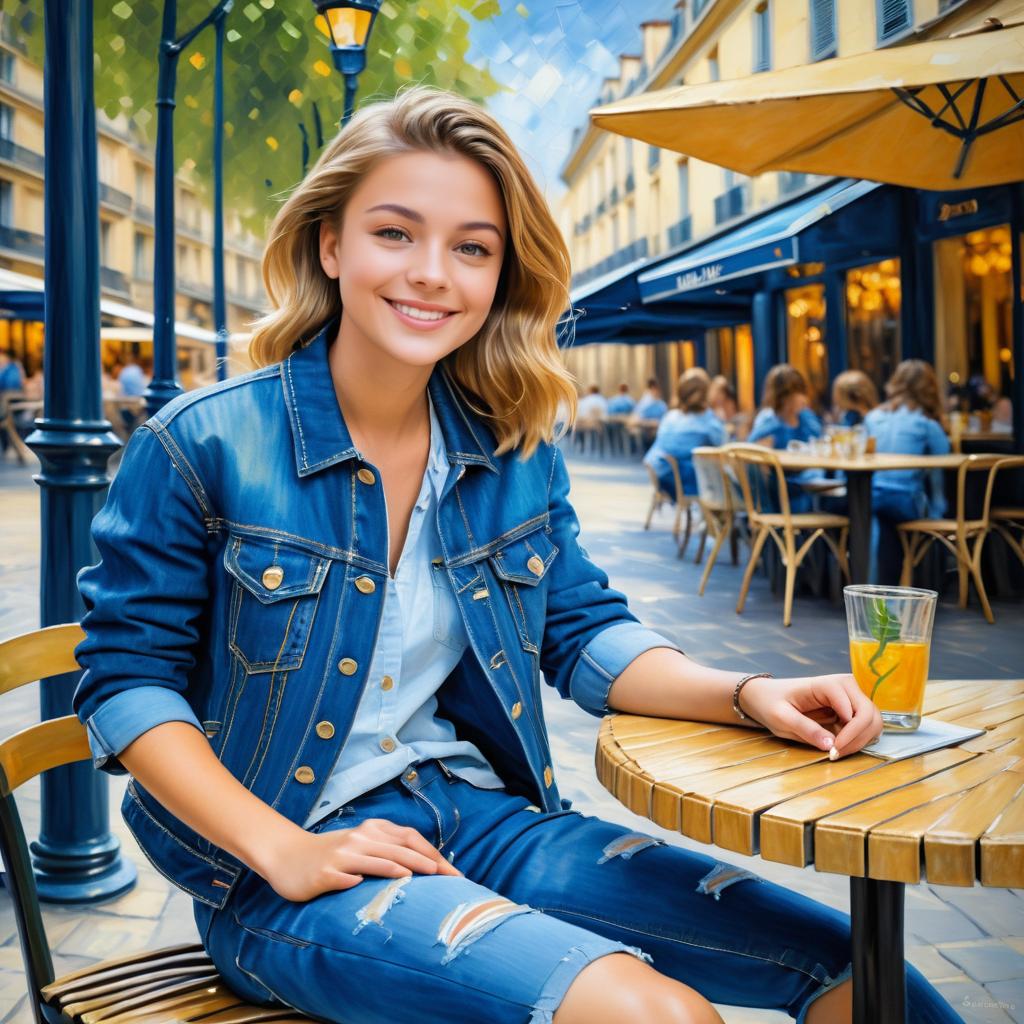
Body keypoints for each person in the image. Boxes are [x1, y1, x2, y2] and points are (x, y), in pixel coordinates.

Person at [72, 88, 957, 1024]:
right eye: (394, 233)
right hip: (281, 867)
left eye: (472, 247)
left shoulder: (511, 451)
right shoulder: (200, 444)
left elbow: (582, 632)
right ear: (330, 246)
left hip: (487, 819)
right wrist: (281, 848)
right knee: (656, 1016)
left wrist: (747, 693)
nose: (432, 275)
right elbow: (127, 681)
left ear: (500, 276)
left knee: (869, 975)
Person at [865, 360, 951, 584]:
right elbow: (944, 457)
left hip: (871, 497)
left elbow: (862, 451)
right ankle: (926, 583)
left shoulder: (874, 417)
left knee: (886, 524)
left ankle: (881, 591)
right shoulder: (926, 423)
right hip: (905, 501)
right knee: (924, 510)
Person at [748, 364, 825, 513]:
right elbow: (755, 465)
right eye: (795, 393)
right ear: (781, 397)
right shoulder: (769, 423)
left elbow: (820, 442)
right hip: (781, 490)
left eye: (801, 392)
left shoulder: (807, 418)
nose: (801, 398)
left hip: (809, 482)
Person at [643, 368, 725, 498]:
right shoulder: (708, 420)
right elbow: (723, 445)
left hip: (661, 479)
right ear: (706, 393)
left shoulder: (669, 417)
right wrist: (720, 418)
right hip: (686, 484)